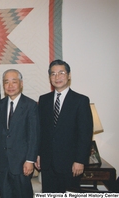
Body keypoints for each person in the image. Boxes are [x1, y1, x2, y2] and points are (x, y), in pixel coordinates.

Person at [35, 59, 93, 192]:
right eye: (53, 74)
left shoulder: (81, 101)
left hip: (71, 164)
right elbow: (40, 131)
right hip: (47, 163)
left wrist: (80, 160)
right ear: (49, 77)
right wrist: (38, 154)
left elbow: (85, 134)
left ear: (69, 75)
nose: (57, 77)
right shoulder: (44, 100)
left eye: (61, 73)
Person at [0, 69, 40, 198]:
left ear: (21, 84)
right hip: (2, 162)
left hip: (22, 162)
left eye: (14, 82)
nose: (10, 86)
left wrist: (30, 160)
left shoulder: (30, 105)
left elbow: (33, 135)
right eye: (6, 82)